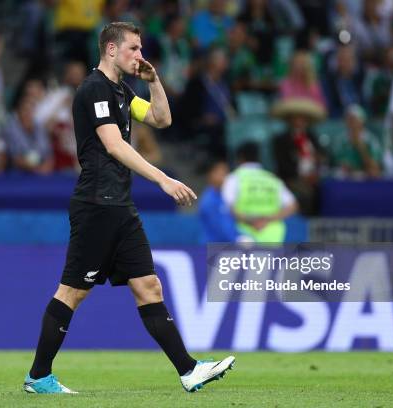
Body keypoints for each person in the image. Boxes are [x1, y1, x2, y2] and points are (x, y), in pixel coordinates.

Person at [23, 22, 235, 395]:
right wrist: (163, 179)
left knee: (149, 287)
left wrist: (154, 81)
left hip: (119, 205)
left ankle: (188, 370)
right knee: (72, 292)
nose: (140, 55)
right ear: (110, 50)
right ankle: (38, 376)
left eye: (140, 49)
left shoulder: (121, 91)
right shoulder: (93, 89)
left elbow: (161, 119)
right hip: (97, 205)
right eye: (134, 49)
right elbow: (114, 145)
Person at [223, 142, 298, 243]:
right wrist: (267, 219)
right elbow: (293, 206)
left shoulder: (234, 178)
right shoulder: (272, 178)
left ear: (240, 158)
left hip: (244, 235)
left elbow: (228, 206)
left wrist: (252, 221)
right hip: (273, 236)